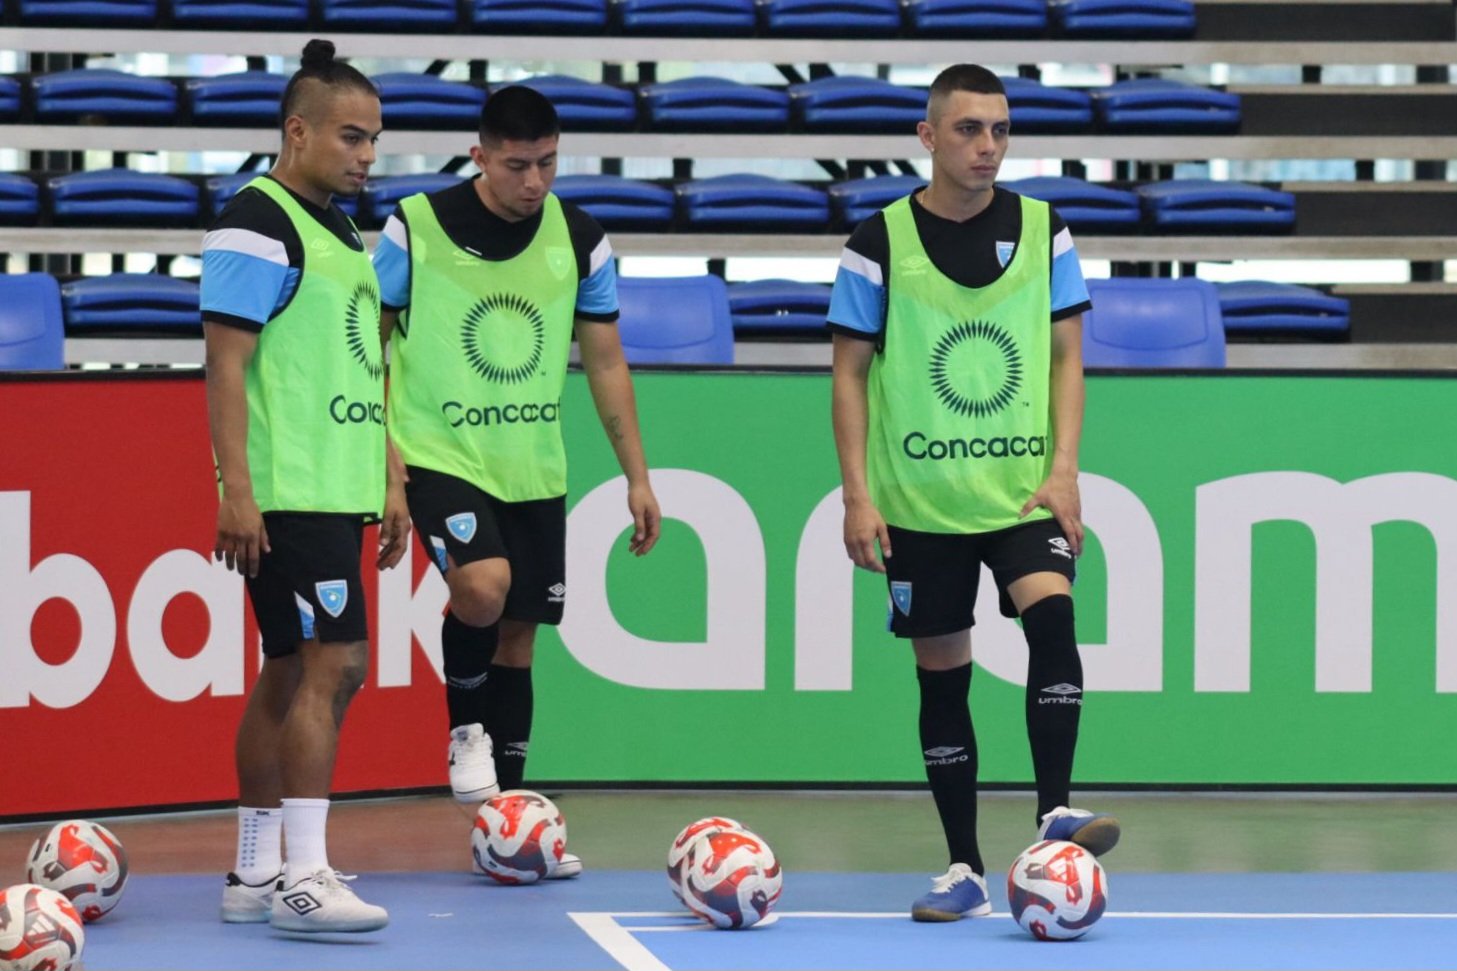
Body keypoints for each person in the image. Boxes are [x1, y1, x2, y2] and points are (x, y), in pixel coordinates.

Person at [827, 63, 1120, 922]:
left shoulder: (1043, 230)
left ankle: (1053, 810)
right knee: (941, 678)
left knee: (1052, 615)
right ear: (927, 137)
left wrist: (1063, 467)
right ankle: (961, 864)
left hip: (1022, 492)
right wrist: (856, 494)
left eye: (998, 129)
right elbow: (848, 377)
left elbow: (1068, 356)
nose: (986, 146)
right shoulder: (876, 242)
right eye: (966, 130)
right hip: (920, 504)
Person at [372, 85, 661, 878]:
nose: (533, 182)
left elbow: (604, 360)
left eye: (546, 163)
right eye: (515, 166)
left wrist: (636, 474)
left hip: (532, 466)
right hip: (437, 452)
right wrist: (386, 461)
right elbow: (373, 337)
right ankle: (464, 728)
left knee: (519, 638)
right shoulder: (416, 225)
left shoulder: (581, 237)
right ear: (479, 156)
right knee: (483, 587)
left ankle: (514, 826)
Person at [202, 39, 407, 933]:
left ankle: (254, 872)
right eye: (351, 138)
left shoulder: (340, 227)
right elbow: (223, 365)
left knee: (287, 669)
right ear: (298, 131)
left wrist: (391, 476)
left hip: (339, 482)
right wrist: (235, 492)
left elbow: (363, 365)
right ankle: (304, 875)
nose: (367, 156)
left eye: (374, 141)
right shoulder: (257, 218)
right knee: (338, 663)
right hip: (291, 492)